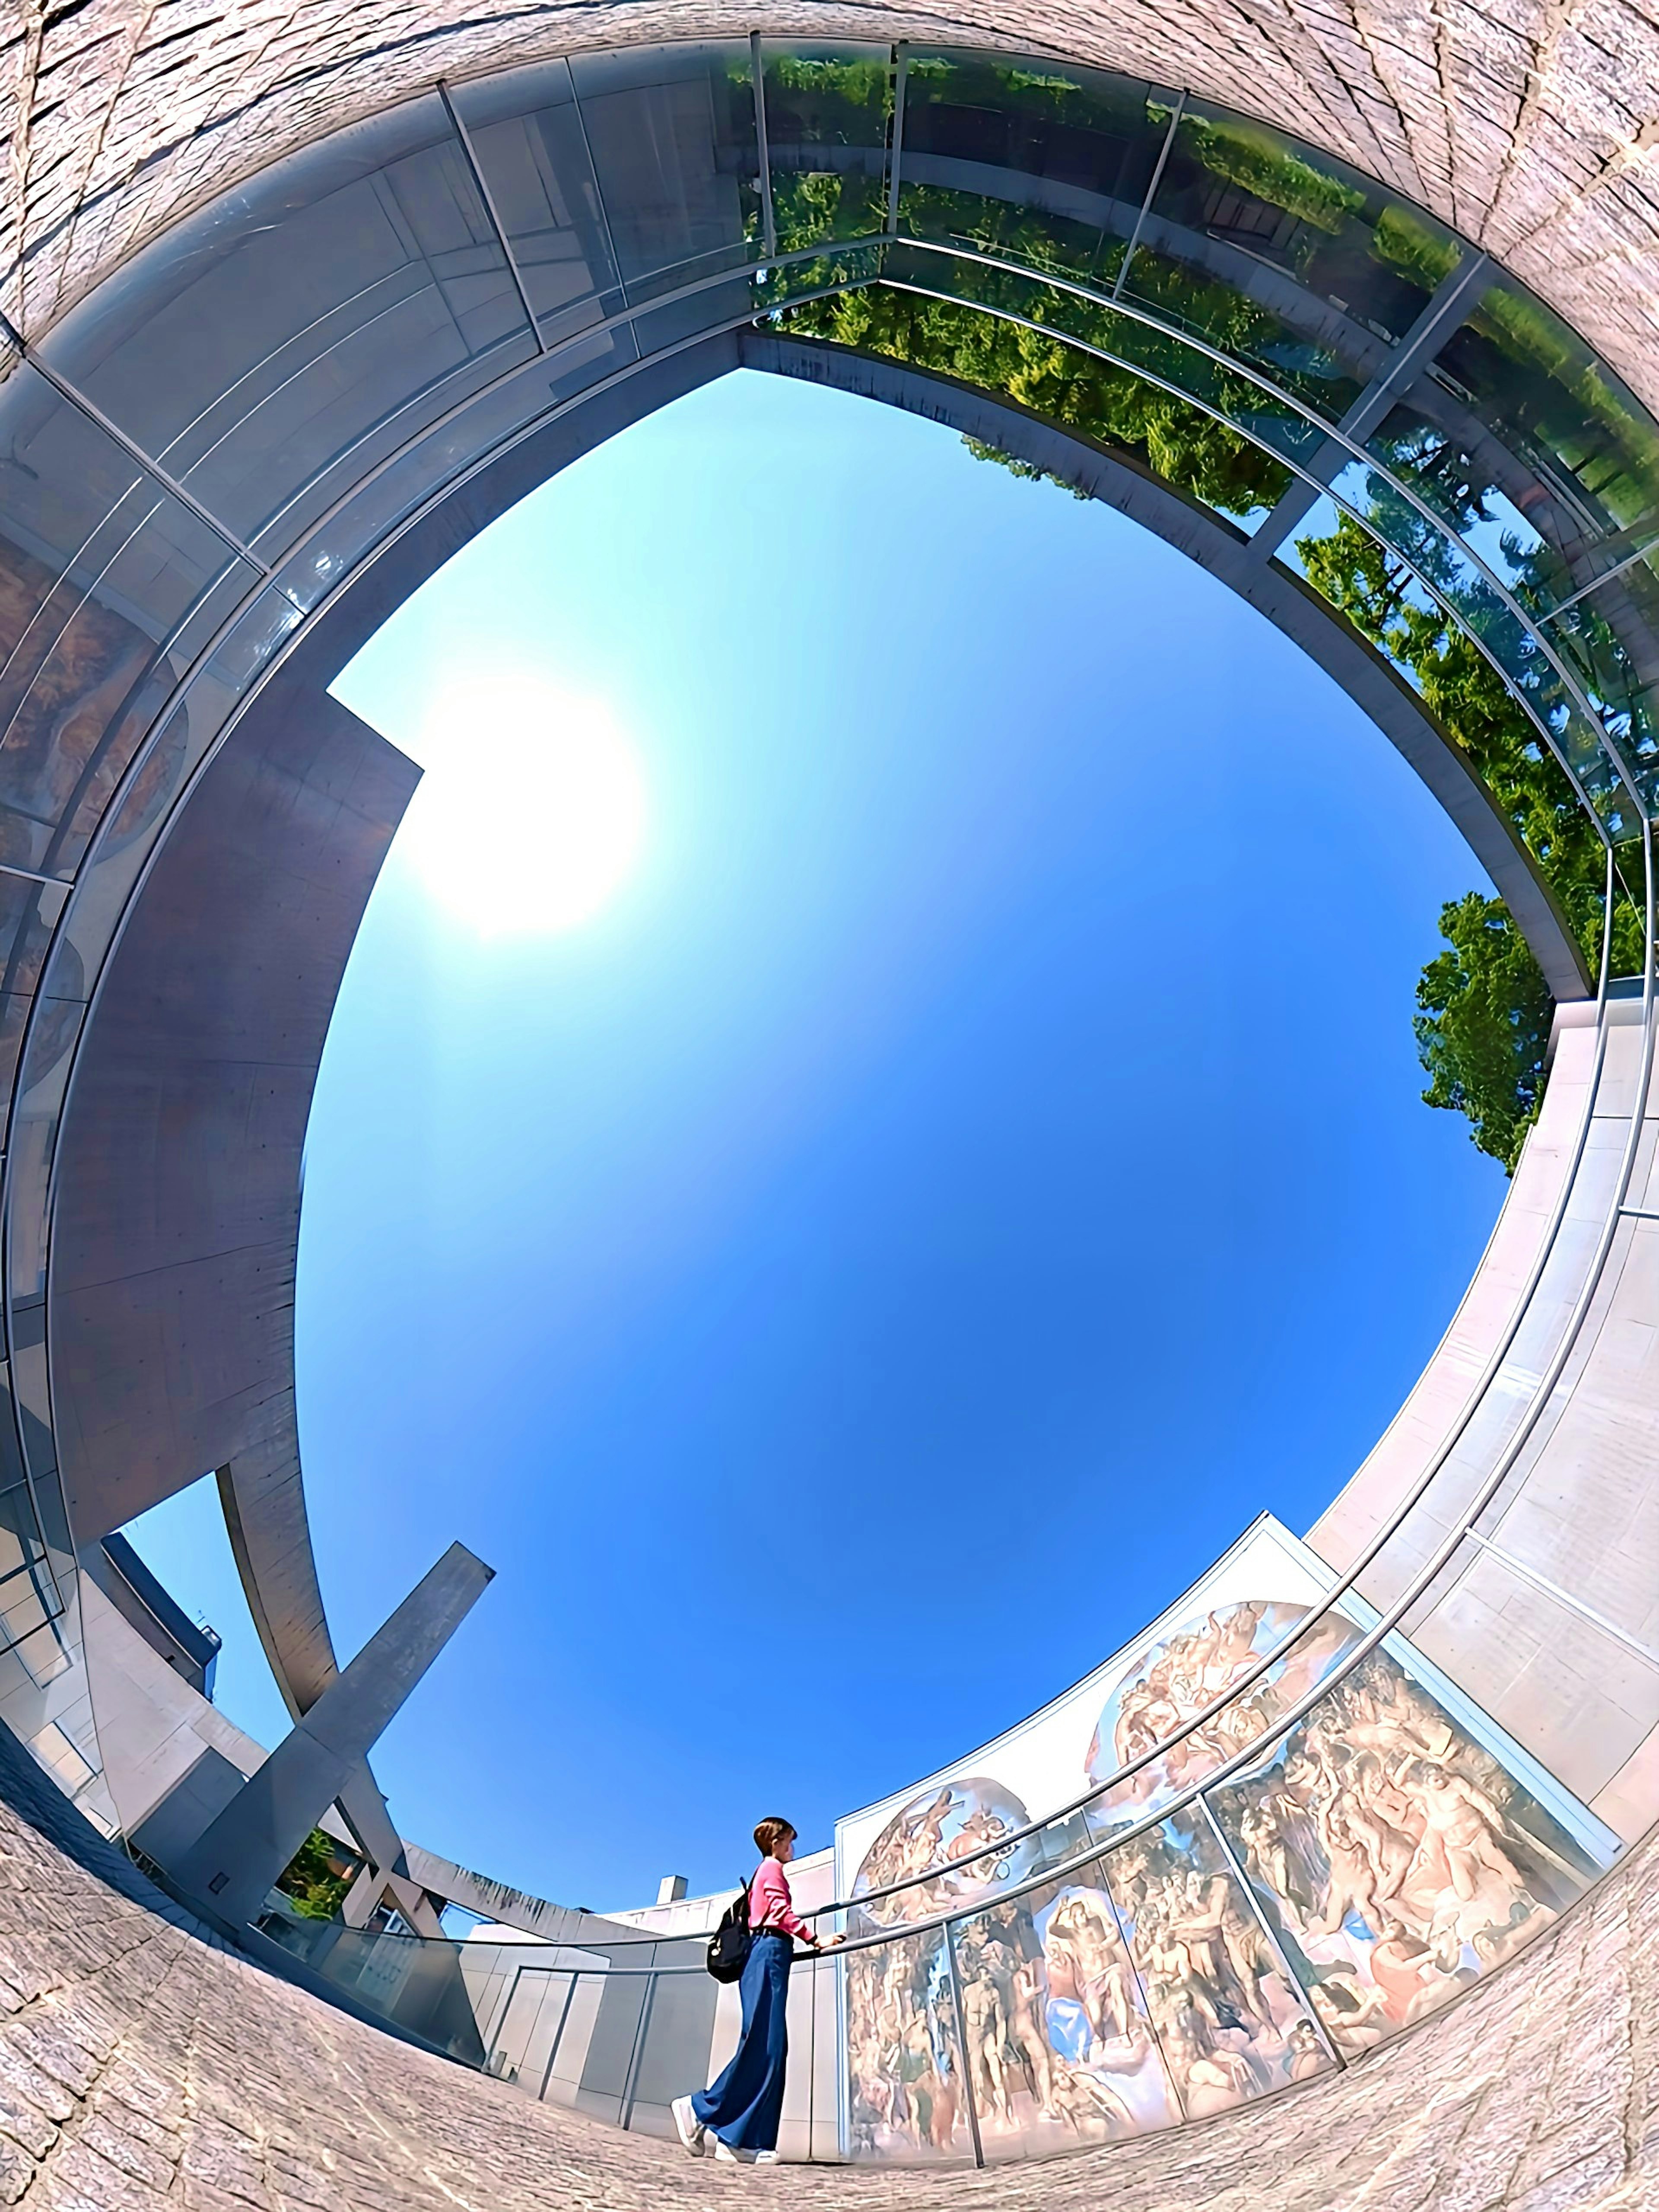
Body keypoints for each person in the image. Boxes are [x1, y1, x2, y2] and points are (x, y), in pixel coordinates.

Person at [673, 1818, 838, 2167]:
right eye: (790, 1841)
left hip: (772, 1954)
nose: (793, 1848)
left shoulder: (768, 1871)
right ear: (776, 1842)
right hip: (768, 1952)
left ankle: (740, 2139)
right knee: (765, 2045)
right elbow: (779, 1912)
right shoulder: (772, 1870)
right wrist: (815, 1939)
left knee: (770, 2047)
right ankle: (701, 2109)